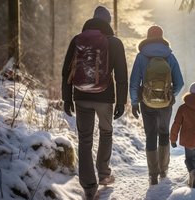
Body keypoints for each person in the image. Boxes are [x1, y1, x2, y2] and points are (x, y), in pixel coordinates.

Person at [61, 6, 128, 200]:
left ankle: (89, 189)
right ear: (107, 22)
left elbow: (67, 71)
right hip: (105, 97)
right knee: (106, 132)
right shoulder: (114, 43)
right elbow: (121, 74)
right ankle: (104, 175)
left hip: (81, 96)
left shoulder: (77, 39)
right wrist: (121, 102)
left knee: (85, 139)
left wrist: (67, 97)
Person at [130, 25, 184, 185]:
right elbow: (180, 83)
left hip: (146, 103)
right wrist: (170, 95)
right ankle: (163, 170)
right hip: (165, 104)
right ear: (162, 37)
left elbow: (133, 83)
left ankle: (153, 174)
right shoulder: (170, 56)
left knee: (151, 135)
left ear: (148, 37)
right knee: (164, 133)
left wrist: (134, 102)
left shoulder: (141, 57)